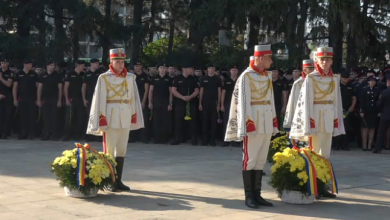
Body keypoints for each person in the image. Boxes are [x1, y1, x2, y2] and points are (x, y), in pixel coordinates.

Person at [225, 45, 278, 209]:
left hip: (266, 121)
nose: (271, 61)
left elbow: (271, 99)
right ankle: (249, 196)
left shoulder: (266, 76)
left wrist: (274, 120)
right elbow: (243, 102)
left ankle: (257, 194)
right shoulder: (246, 76)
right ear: (261, 58)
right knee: (250, 160)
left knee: (261, 160)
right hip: (253, 123)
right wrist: (248, 123)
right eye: (269, 57)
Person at [290, 46, 345, 198]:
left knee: (325, 154)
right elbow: (305, 102)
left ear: (332, 61)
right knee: (313, 153)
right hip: (315, 118)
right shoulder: (311, 78)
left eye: (328, 59)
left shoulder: (334, 78)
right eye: (322, 59)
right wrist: (309, 123)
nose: (325, 62)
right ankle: (313, 187)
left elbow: (336, 101)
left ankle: (322, 186)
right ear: (317, 61)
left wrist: (336, 120)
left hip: (328, 117)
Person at [86, 48, 144, 192]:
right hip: (110, 115)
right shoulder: (104, 78)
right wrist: (101, 118)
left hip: (125, 115)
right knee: (109, 150)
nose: (120, 64)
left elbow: (133, 98)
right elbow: (99, 99)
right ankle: (109, 180)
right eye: (117, 61)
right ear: (111, 61)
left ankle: (118, 180)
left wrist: (134, 114)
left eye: (122, 61)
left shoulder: (130, 77)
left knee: (122, 150)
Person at [170, 63, 199, 145]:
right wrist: (182, 97)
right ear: (184, 69)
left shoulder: (193, 79)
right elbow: (173, 90)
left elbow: (197, 90)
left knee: (192, 121)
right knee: (178, 121)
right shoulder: (177, 78)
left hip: (191, 103)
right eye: (190, 69)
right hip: (179, 103)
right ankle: (178, 138)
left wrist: (190, 97)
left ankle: (193, 139)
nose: (191, 70)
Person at [284, 59, 314, 131]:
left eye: (312, 69)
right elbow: (293, 100)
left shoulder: (318, 81)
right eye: (308, 69)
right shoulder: (298, 83)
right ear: (304, 70)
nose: (310, 71)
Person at [13, 59, 39, 139]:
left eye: (31, 64)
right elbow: (15, 87)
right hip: (22, 97)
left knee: (31, 116)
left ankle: (30, 133)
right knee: (22, 116)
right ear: (25, 64)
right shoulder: (18, 74)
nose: (31, 66)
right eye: (29, 64)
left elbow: (38, 87)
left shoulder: (34, 74)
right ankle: (22, 133)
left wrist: (38, 99)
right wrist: (15, 99)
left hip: (32, 97)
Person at [37, 60, 63, 141]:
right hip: (45, 99)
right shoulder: (42, 75)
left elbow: (60, 88)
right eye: (51, 65)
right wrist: (38, 99)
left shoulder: (58, 75)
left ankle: (54, 135)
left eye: (53, 65)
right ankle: (46, 134)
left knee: (54, 117)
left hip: (54, 98)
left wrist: (59, 100)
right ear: (47, 66)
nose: (52, 67)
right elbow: (39, 88)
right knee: (46, 117)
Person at [149, 63, 173, 144]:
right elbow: (151, 91)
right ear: (158, 69)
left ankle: (164, 138)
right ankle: (156, 138)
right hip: (156, 101)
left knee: (165, 120)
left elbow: (171, 92)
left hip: (165, 101)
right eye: (161, 68)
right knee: (156, 120)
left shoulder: (169, 79)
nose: (162, 69)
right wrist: (150, 102)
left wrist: (170, 103)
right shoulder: (154, 78)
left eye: (163, 68)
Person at [63, 60, 86, 141]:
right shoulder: (70, 74)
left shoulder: (83, 75)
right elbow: (66, 87)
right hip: (71, 98)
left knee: (80, 117)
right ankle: (67, 135)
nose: (83, 67)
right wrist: (66, 99)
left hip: (80, 99)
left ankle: (77, 135)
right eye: (82, 66)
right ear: (78, 65)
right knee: (69, 118)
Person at [199, 63, 222, 146]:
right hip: (205, 102)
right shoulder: (203, 78)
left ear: (214, 70)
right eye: (209, 68)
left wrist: (219, 104)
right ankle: (205, 139)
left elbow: (219, 92)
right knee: (205, 121)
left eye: (212, 68)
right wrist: (200, 103)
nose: (211, 70)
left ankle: (212, 140)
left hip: (214, 102)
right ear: (207, 70)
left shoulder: (217, 79)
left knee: (213, 122)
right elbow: (201, 91)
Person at [82, 58, 103, 141]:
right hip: (89, 98)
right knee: (90, 117)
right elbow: (84, 87)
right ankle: (90, 135)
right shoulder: (86, 74)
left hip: (99, 98)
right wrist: (84, 99)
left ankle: (98, 135)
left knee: (99, 117)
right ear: (91, 64)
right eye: (96, 63)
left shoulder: (101, 74)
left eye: (98, 63)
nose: (97, 65)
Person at [359, 76, 381, 151]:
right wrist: (361, 110)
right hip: (366, 111)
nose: (373, 82)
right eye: (371, 81)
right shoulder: (364, 89)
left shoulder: (377, 90)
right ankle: (364, 145)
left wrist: (379, 111)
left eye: (374, 81)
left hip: (374, 111)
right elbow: (361, 101)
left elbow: (379, 101)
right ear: (368, 82)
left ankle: (370, 145)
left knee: (372, 127)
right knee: (365, 128)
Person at [221, 65, 239, 147]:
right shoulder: (226, 80)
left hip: (238, 104)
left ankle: (235, 140)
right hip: (228, 103)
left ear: (237, 71)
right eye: (232, 70)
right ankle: (226, 140)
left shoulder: (240, 80)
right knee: (226, 121)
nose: (234, 72)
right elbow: (223, 93)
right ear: (230, 71)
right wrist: (222, 104)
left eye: (235, 70)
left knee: (237, 121)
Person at [373, 72, 390, 153]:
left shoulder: (384, 92)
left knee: (381, 131)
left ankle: (378, 148)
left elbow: (379, 104)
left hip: (385, 114)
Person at [0, 58, 14, 139]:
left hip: (8, 96)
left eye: (5, 63)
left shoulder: (10, 73)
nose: (3, 64)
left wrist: (1, 78)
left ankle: (5, 133)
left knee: (7, 115)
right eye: (2, 63)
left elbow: (9, 84)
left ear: (7, 63)